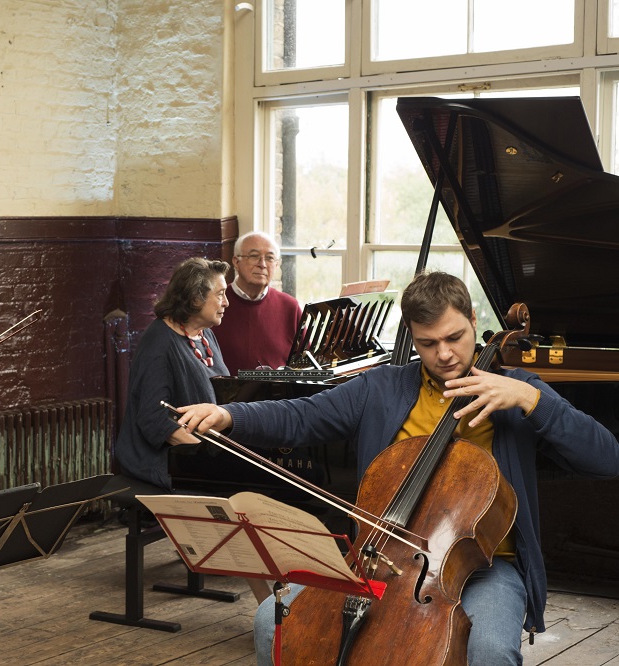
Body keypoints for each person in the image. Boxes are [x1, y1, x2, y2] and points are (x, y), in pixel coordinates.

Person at [175, 271, 619, 666]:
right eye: (429, 343)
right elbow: (301, 415)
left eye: (456, 337)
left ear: (471, 321)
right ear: (411, 336)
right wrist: (230, 416)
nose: (445, 354)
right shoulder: (380, 387)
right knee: (272, 622)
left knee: (491, 651)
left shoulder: (517, 390)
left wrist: (531, 401)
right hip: (381, 557)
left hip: (485, 565)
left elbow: (605, 458)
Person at [114, 257, 230, 491]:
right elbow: (154, 419)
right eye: (220, 294)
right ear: (196, 298)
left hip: (198, 451)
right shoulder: (160, 342)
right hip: (161, 460)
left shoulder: (205, 335)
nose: (226, 302)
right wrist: (207, 457)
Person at [215, 231, 302, 375]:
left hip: (281, 396)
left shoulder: (290, 307)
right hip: (226, 396)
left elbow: (305, 366)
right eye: (254, 256)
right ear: (236, 262)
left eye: (269, 258)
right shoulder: (215, 304)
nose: (262, 264)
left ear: (277, 264)